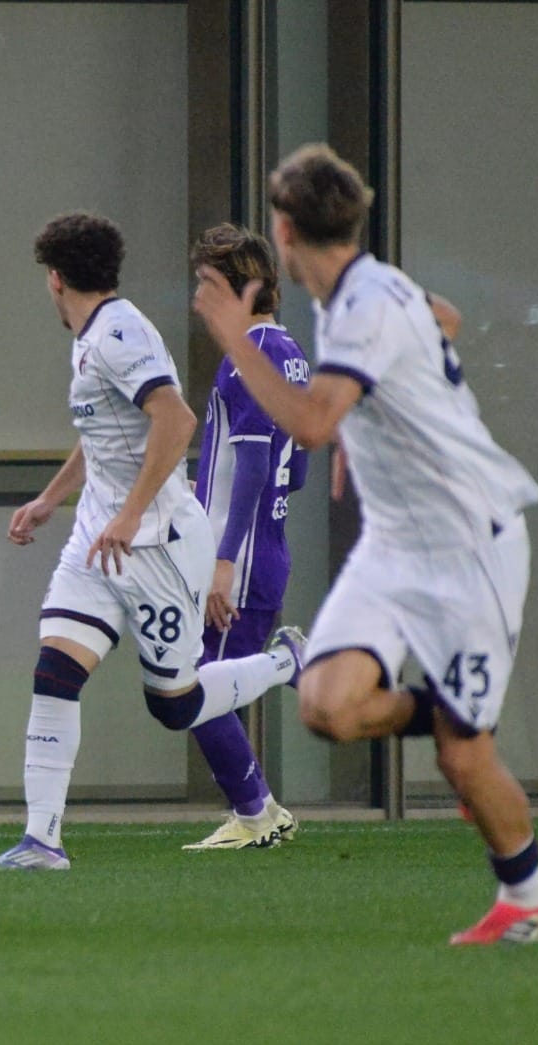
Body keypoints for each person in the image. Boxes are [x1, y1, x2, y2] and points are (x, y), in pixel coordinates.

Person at [192, 143, 538, 945]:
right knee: (325, 706)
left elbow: (312, 423)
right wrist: (377, 412)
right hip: (397, 546)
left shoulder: (357, 306)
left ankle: (525, 902)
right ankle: (455, 718)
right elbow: (447, 319)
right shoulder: (365, 288)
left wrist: (232, 332)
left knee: (464, 763)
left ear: (284, 230)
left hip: (473, 543)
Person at [0, 213, 305, 872]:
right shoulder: (92, 336)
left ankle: (287, 662)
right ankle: (42, 841)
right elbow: (102, 434)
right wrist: (50, 499)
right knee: (56, 673)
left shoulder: (121, 334)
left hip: (154, 544)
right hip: (100, 542)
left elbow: (174, 421)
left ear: (56, 277)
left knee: (175, 705)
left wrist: (129, 515)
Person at [182, 224, 311, 850]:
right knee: (197, 682)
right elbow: (300, 464)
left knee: (190, 683)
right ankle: (257, 810)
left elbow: (257, 466)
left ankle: (257, 812)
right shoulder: (287, 351)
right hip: (266, 546)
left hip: (240, 557)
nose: (199, 300)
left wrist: (225, 559)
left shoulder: (249, 360)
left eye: (208, 286)